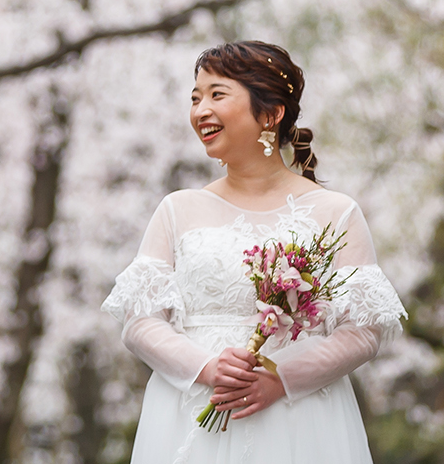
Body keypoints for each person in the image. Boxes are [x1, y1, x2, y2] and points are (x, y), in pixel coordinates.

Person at [103, 41, 406, 464]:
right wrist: (207, 367)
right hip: (190, 415)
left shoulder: (336, 213)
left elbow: (363, 330)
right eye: (195, 98)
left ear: (270, 113)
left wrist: (283, 379)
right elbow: (140, 322)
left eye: (217, 95)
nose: (199, 110)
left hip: (298, 421)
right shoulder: (177, 209)